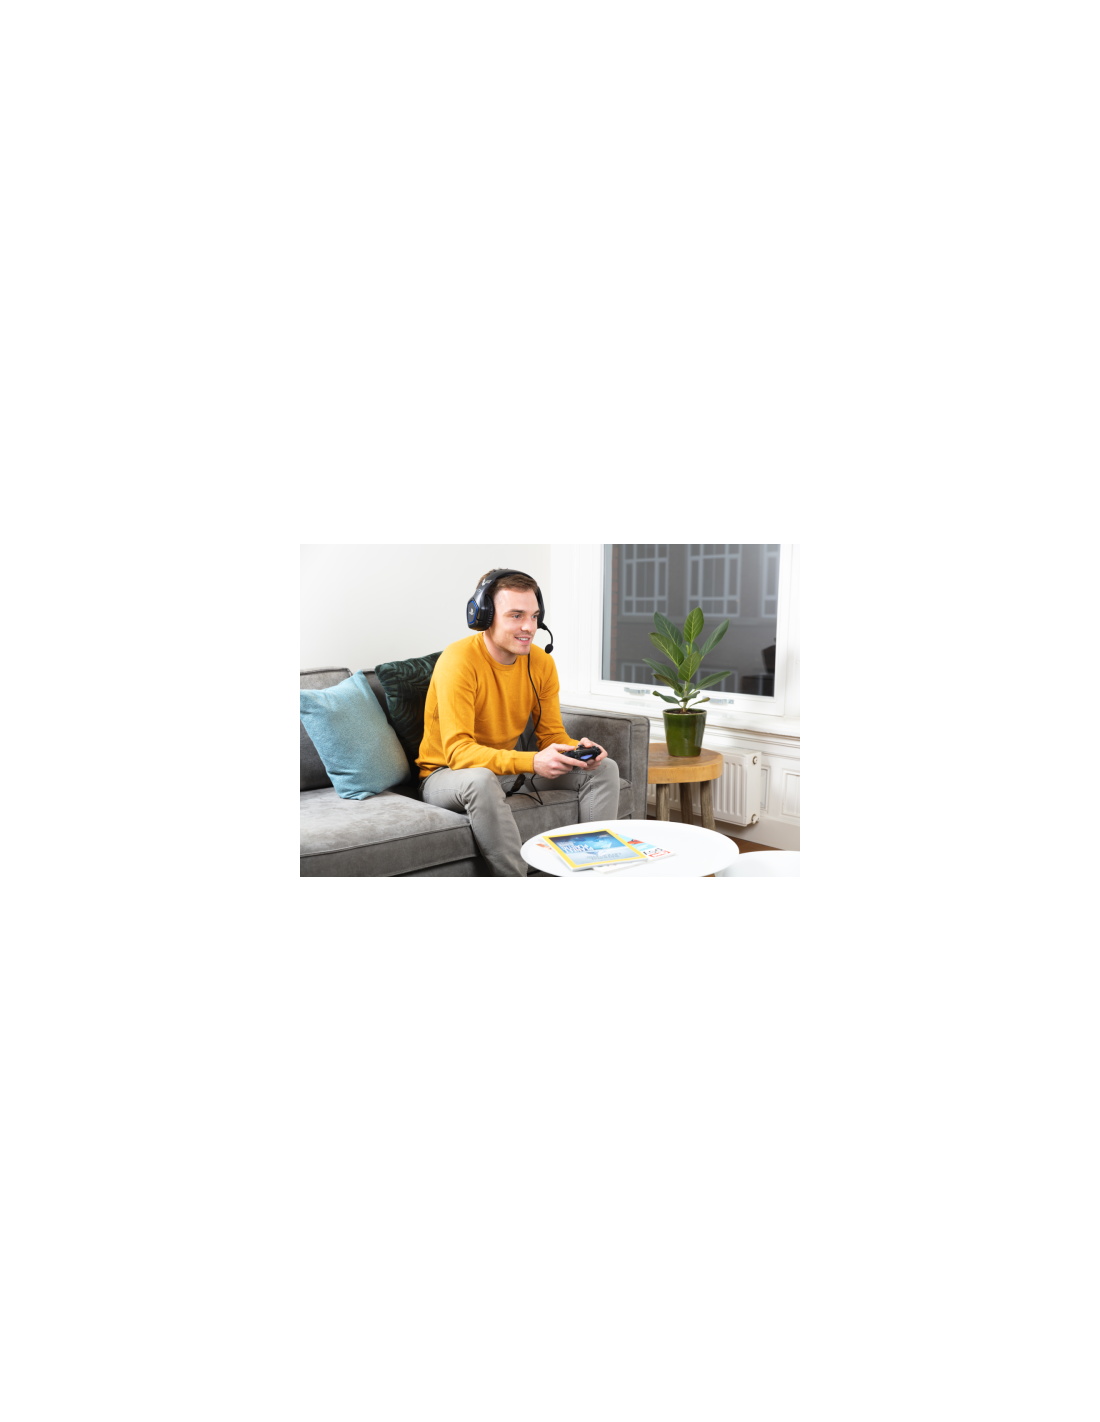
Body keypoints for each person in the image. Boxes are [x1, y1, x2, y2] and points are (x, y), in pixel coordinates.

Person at [417, 570, 621, 876]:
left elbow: (551, 734)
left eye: (534, 616)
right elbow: (459, 753)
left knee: (604, 769)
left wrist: (577, 751)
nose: (529, 627)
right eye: (516, 616)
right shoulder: (458, 660)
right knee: (480, 779)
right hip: (446, 775)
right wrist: (532, 761)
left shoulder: (540, 662)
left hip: (502, 771)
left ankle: (594, 874)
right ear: (484, 616)